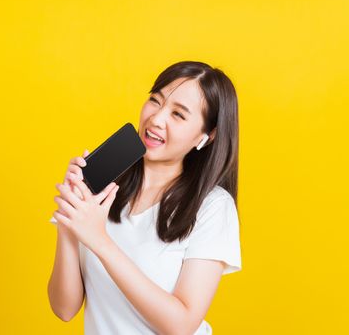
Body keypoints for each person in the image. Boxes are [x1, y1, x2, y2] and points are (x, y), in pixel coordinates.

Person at [47, 61, 242, 335]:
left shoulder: (212, 206)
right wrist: (70, 221)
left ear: (205, 137)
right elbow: (64, 309)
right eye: (155, 100)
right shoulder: (105, 182)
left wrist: (99, 240)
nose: (156, 119)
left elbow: (182, 325)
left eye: (178, 114)